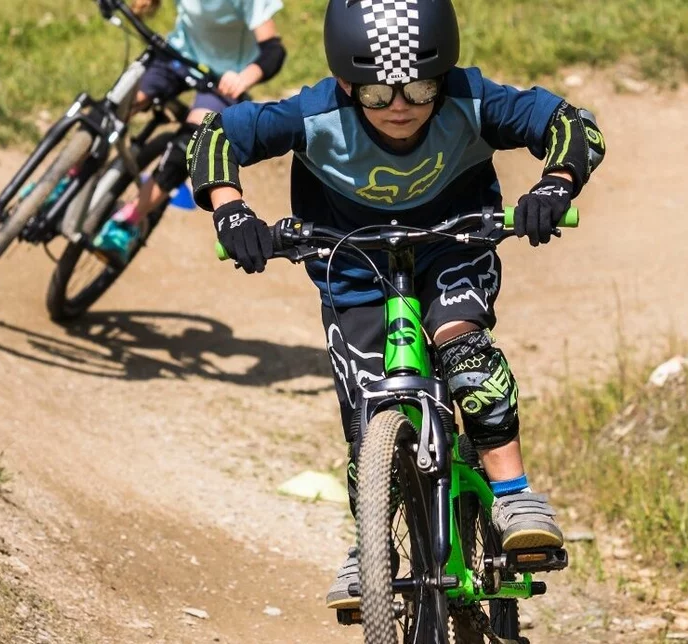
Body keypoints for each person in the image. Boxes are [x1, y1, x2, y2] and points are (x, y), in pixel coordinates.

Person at [185, 0, 605, 610]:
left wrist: (553, 185)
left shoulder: (473, 100)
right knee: (365, 411)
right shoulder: (314, 113)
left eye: (419, 86)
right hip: (351, 269)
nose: (401, 105)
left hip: (453, 252)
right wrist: (230, 208)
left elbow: (572, 125)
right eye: (378, 94)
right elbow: (215, 135)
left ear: (444, 76)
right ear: (345, 84)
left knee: (464, 349)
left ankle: (514, 494)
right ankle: (372, 544)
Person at [88, 0, 287, 264]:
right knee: (117, 103)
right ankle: (69, 175)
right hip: (178, 56)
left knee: (193, 140)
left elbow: (274, 49)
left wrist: (245, 77)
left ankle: (128, 221)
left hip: (223, 79)